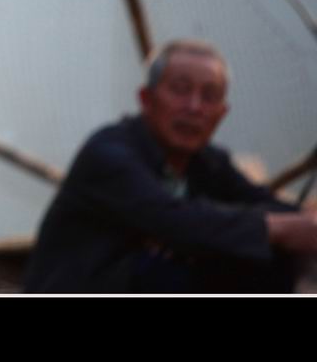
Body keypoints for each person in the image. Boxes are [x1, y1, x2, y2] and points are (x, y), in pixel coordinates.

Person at [24, 39, 317, 293]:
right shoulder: (109, 153)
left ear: (222, 112)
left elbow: (268, 207)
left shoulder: (209, 162)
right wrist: (273, 228)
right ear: (146, 99)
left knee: (265, 261)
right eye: (180, 89)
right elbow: (176, 221)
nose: (194, 107)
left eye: (209, 96)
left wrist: (297, 223)